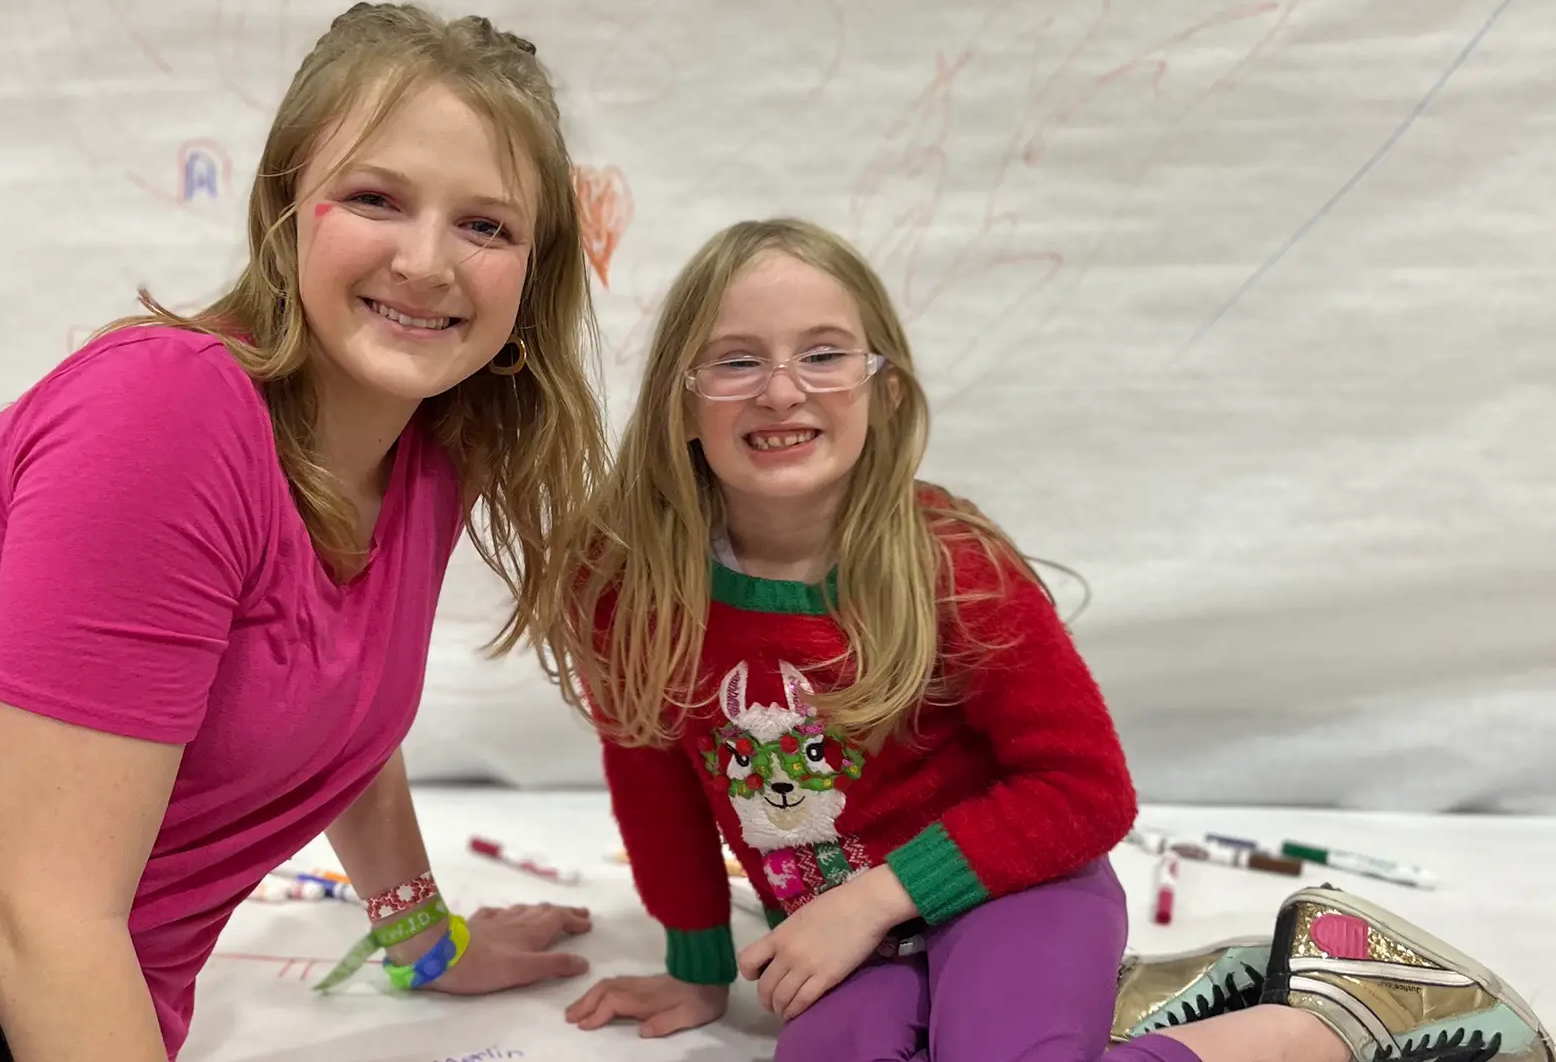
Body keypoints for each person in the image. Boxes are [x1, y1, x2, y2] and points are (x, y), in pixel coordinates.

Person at [0, 2, 607, 1062]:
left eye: (485, 225)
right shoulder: (170, 412)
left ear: (534, 263)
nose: (428, 261)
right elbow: (47, 918)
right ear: (288, 209)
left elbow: (338, 712)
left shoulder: (429, 458)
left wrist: (423, 939)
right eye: (378, 199)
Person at [548, 217, 1553, 1062]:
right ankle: (1158, 994)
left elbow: (1086, 790)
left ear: (884, 389)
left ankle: (1323, 1020)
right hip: (851, 936)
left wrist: (874, 900)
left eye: (823, 354)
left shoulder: (954, 566)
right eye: (736, 361)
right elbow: (654, 774)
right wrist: (696, 967)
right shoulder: (634, 591)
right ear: (681, 400)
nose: (781, 392)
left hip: (1014, 887)